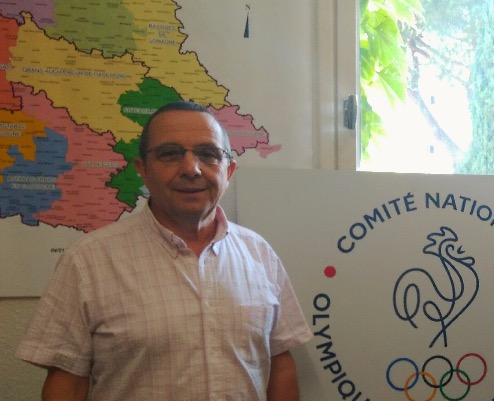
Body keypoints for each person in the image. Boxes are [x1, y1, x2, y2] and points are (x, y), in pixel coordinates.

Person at [16, 101, 314, 400]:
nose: (191, 169)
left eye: (208, 154)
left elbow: (280, 366)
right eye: (170, 154)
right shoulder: (87, 261)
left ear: (229, 170)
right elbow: (67, 384)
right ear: (142, 170)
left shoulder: (259, 253)